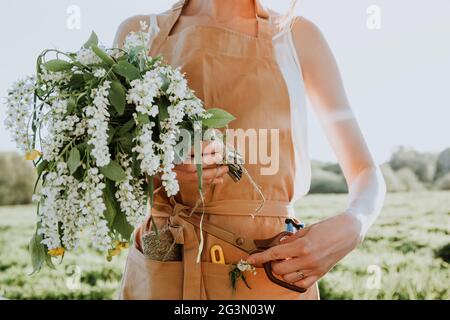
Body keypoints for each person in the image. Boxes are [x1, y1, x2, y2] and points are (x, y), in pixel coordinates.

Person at [113, 0, 386, 300]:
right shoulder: (139, 34)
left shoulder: (297, 37)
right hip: (163, 268)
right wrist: (162, 172)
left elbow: (365, 171)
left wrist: (355, 223)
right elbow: (110, 172)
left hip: (268, 277)